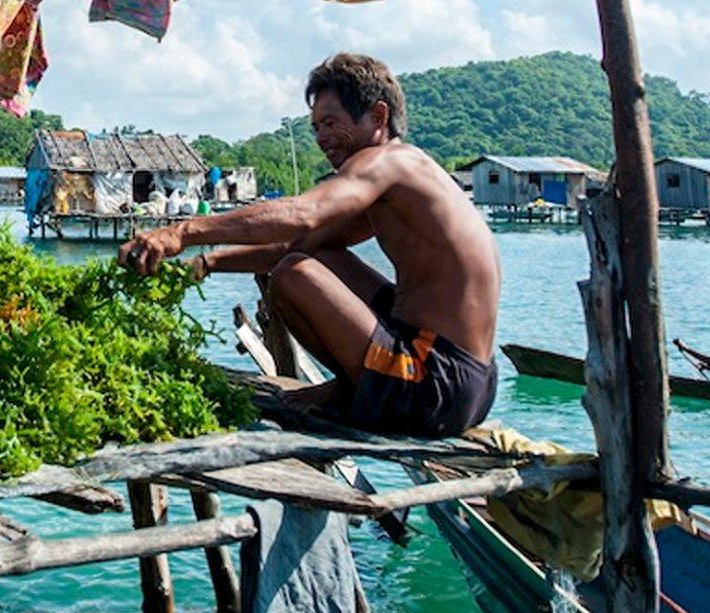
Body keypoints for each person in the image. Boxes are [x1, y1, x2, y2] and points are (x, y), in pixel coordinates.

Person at [118, 52, 501, 438]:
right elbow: (300, 242)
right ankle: (349, 385)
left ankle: (353, 388)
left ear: (378, 117)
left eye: (331, 123)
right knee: (316, 256)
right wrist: (208, 263)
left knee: (291, 275)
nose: (321, 138)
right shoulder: (405, 175)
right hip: (471, 382)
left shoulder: (387, 163)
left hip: (435, 384)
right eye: (316, 127)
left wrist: (180, 232)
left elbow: (303, 214)